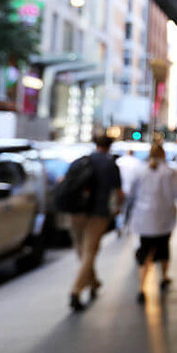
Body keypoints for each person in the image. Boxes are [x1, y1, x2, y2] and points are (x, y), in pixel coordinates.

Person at [129, 142, 177, 303]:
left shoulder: (140, 171)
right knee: (163, 247)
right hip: (164, 218)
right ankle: (164, 277)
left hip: (144, 219)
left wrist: (126, 214)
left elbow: (132, 195)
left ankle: (141, 288)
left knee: (145, 252)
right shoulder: (170, 172)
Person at [69, 134, 124, 312]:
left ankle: (93, 283)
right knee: (89, 251)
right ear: (109, 147)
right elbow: (119, 192)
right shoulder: (110, 165)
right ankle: (76, 290)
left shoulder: (80, 162)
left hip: (76, 212)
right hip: (98, 214)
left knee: (82, 251)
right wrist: (117, 208)